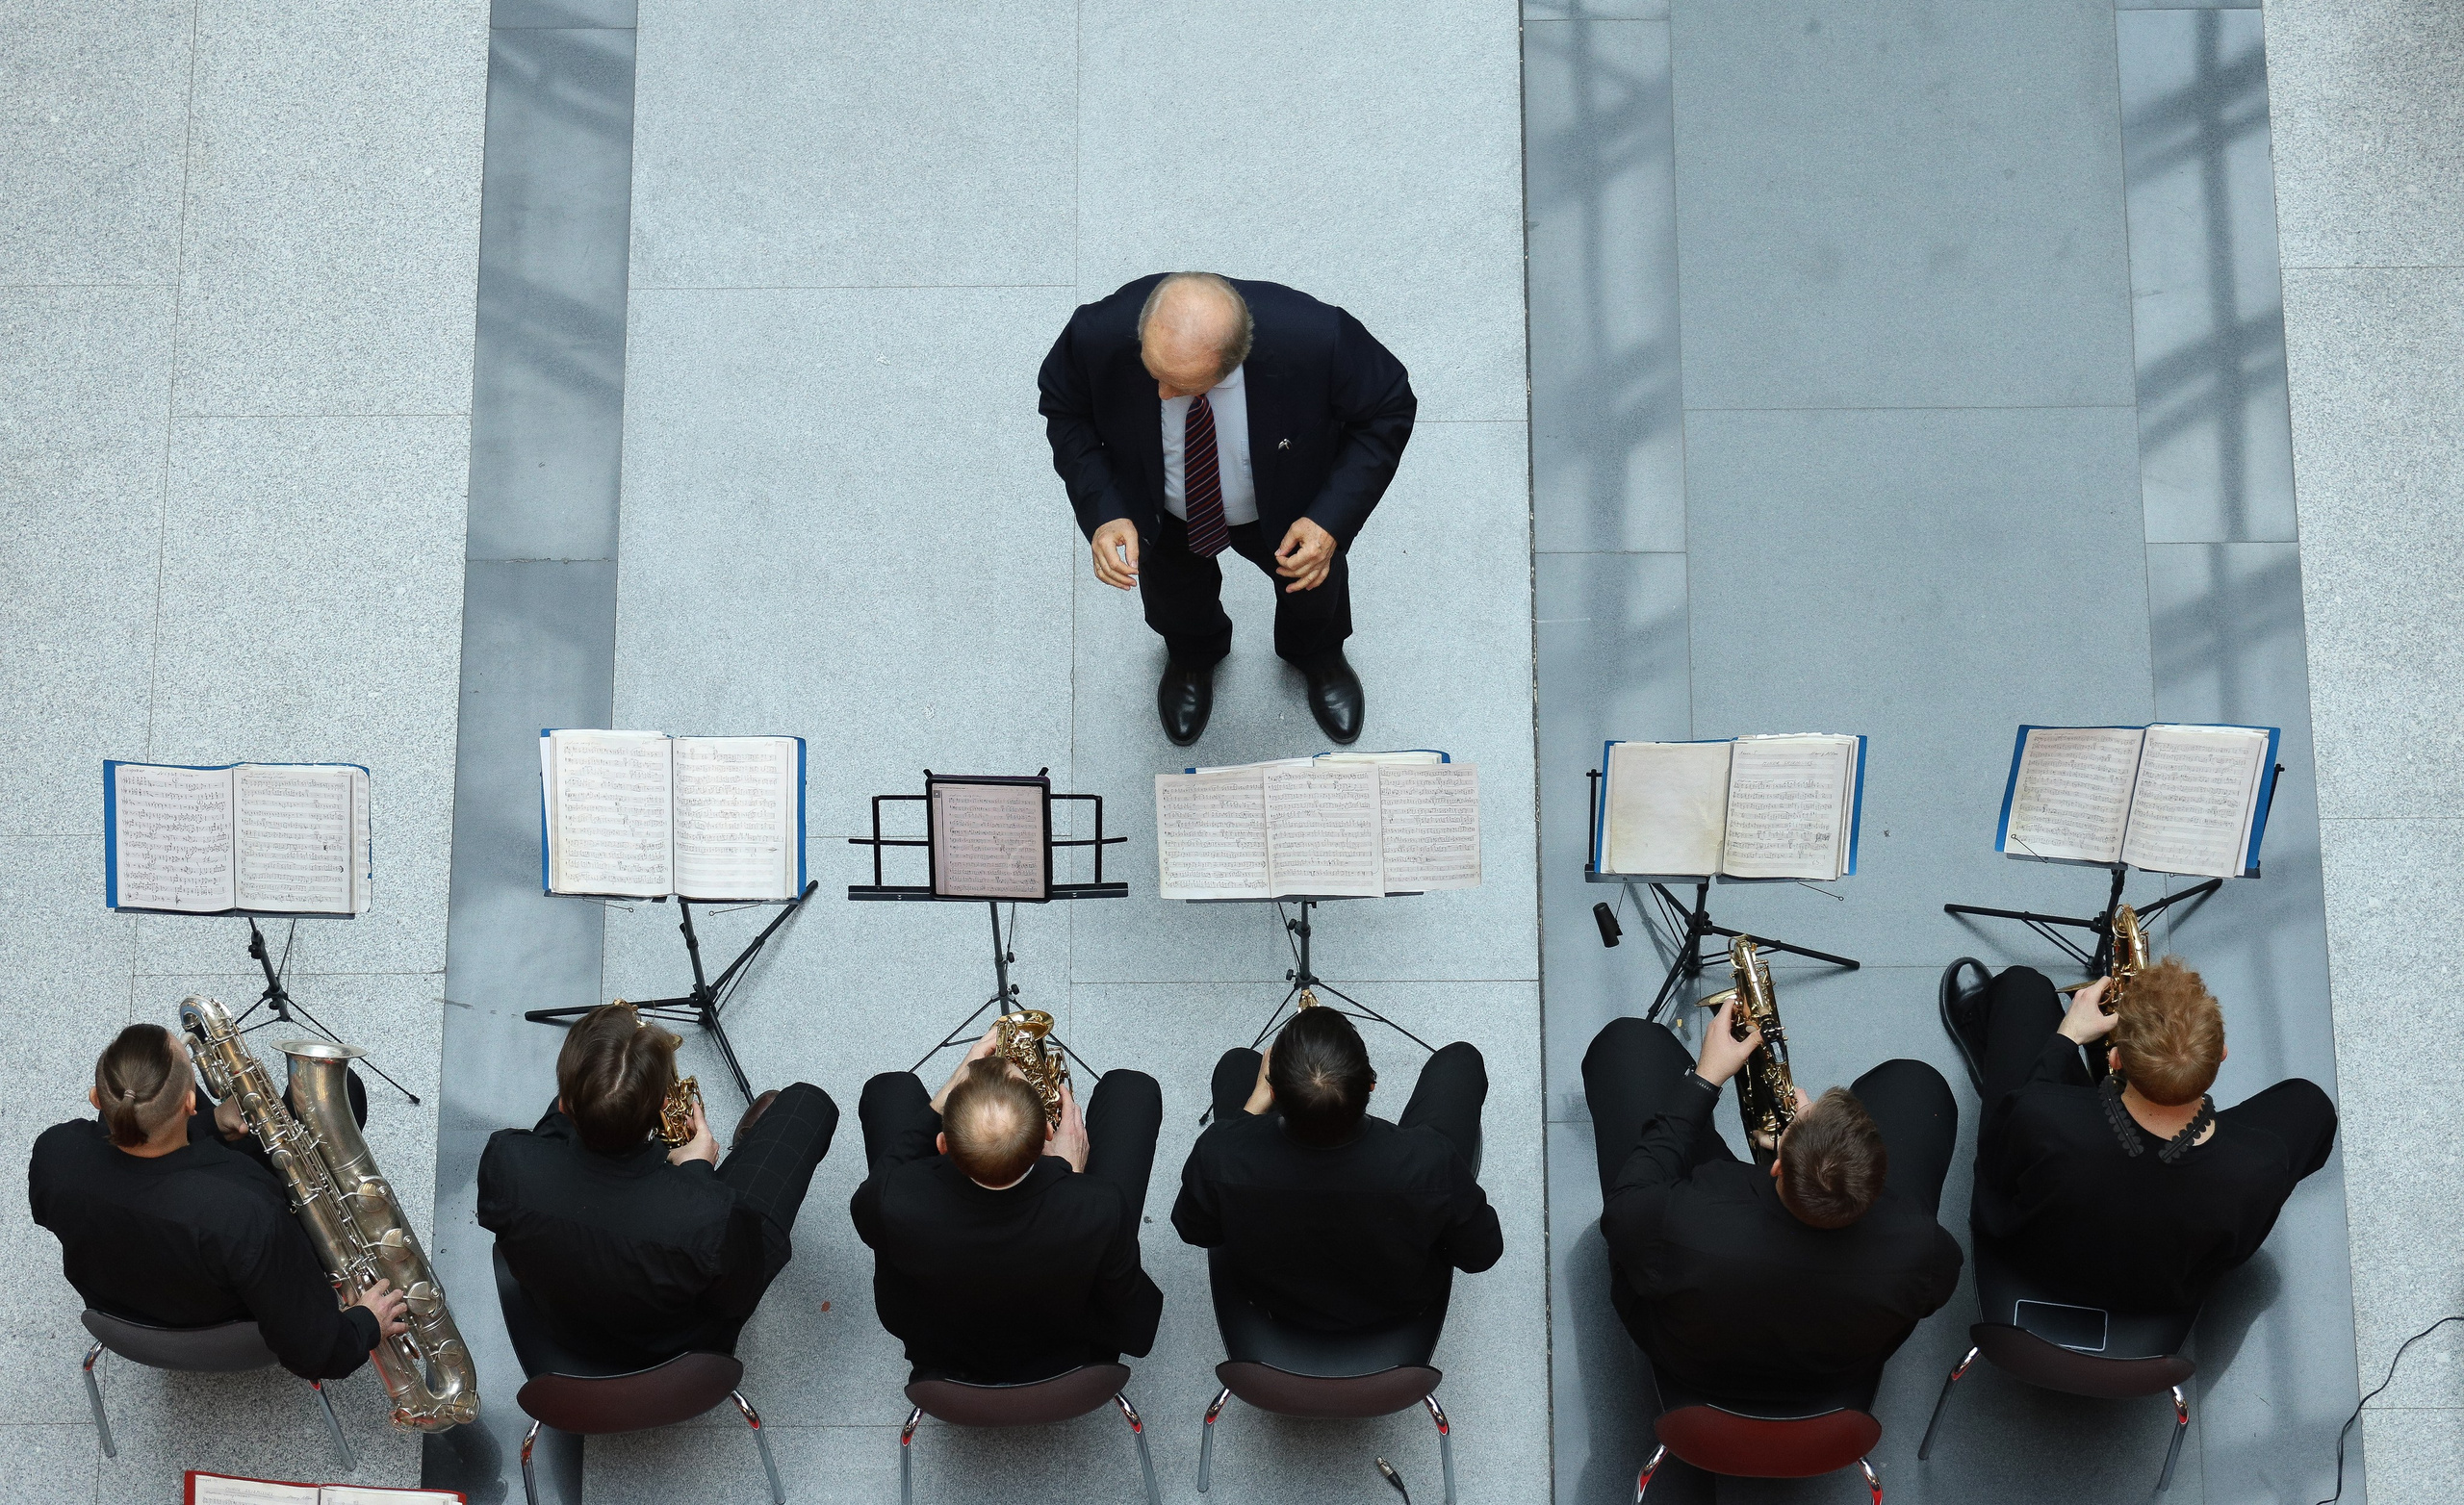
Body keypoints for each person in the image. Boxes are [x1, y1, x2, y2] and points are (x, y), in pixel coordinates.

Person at [1040, 270, 1418, 747]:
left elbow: (1388, 408)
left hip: (1286, 501)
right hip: (1162, 505)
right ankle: (1191, 656)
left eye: (1181, 385)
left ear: (1234, 361)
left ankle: (1318, 654)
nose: (1162, 395)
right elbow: (1064, 408)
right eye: (1155, 373)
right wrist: (1105, 508)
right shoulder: (1096, 332)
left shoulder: (1319, 337)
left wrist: (1329, 519)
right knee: (1173, 590)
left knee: (1313, 588)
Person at [1584, 1009, 1962, 1409]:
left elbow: (1625, 1205)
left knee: (1628, 1044)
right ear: (1880, 1181)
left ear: (1778, 1166)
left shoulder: (1682, 1219)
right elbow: (1931, 1290)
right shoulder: (1922, 1249)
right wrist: (1819, 1161)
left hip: (1694, 1367)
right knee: (1914, 1082)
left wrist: (1705, 1079)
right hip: (1832, 1377)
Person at [1941, 957, 2337, 1313]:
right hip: (2157, 1296)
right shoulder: (2260, 1167)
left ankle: (1986, 1037)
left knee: (2023, 986)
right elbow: (2233, 1253)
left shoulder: (2040, 1113)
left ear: (2114, 1058)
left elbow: (1996, 1168)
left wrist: (2066, 1039)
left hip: (2028, 1263)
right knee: (2309, 1104)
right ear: (2221, 1056)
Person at [28, 1023, 410, 1381]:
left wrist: (210, 1125)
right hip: (229, 1324)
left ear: (96, 1098)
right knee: (347, 1093)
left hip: (125, 1311)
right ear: (190, 1102)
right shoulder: (249, 1212)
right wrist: (366, 1322)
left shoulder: (54, 1156)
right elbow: (316, 1355)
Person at [476, 1003, 838, 1367]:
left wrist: (594, 1091)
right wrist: (698, 1170)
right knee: (807, 1104)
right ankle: (744, 1148)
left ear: (565, 1107)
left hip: (559, 1332)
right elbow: (734, 1300)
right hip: (674, 1358)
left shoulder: (505, 1161)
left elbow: (547, 1147)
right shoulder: (713, 1216)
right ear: (664, 1105)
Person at [851, 1028, 1163, 1382]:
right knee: (1132, 1090)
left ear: (942, 1145)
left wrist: (953, 1084)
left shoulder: (890, 1199)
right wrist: (1070, 1177)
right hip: (1070, 1363)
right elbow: (1137, 1329)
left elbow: (870, 1195)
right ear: (1048, 1134)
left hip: (945, 1361)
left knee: (890, 1090)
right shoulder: (1100, 1207)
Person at [1173, 1007, 1501, 1331]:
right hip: (1399, 1304)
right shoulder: (1429, 1161)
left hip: (1273, 1301)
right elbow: (1480, 1254)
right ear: (1370, 1085)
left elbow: (1197, 1230)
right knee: (1460, 1060)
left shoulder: (1219, 1153)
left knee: (1237, 1063)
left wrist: (1252, 1108)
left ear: (1273, 1093)